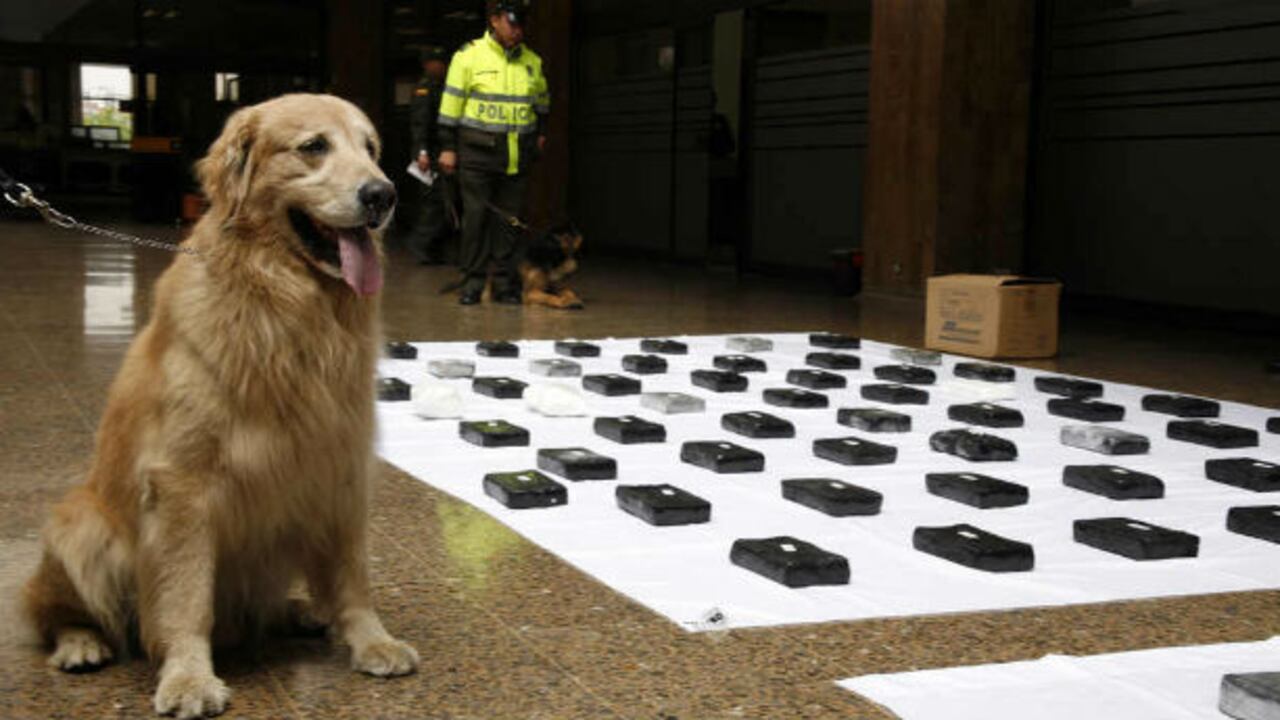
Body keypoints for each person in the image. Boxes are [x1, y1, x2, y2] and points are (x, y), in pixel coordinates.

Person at [437, 0, 549, 305]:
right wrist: (447, 147)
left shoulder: (532, 62)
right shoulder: (469, 57)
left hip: (516, 158)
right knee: (476, 221)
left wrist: (539, 136)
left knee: (508, 224)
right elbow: (450, 108)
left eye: (522, 25)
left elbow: (541, 106)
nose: (518, 31)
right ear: (495, 20)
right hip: (476, 155)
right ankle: (472, 283)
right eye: (512, 23)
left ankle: (504, 285)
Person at [407, 45, 453, 265]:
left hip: (441, 151)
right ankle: (420, 244)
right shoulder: (424, 89)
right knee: (431, 202)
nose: (439, 66)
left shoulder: (443, 86)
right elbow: (420, 124)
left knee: (442, 201)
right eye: (435, 62)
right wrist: (421, 152)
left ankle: (433, 249)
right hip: (429, 154)